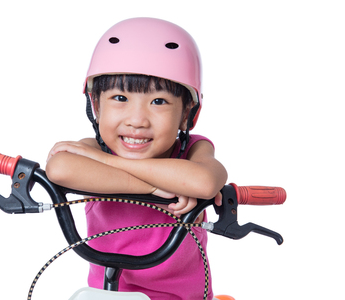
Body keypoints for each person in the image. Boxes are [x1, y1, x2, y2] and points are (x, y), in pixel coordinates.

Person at [46, 17, 227, 300]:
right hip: (107, 292)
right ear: (95, 103)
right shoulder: (93, 148)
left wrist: (110, 162)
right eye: (120, 97)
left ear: (187, 112)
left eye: (158, 101)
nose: (137, 120)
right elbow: (59, 167)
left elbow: (204, 181)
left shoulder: (191, 151)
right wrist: (154, 187)